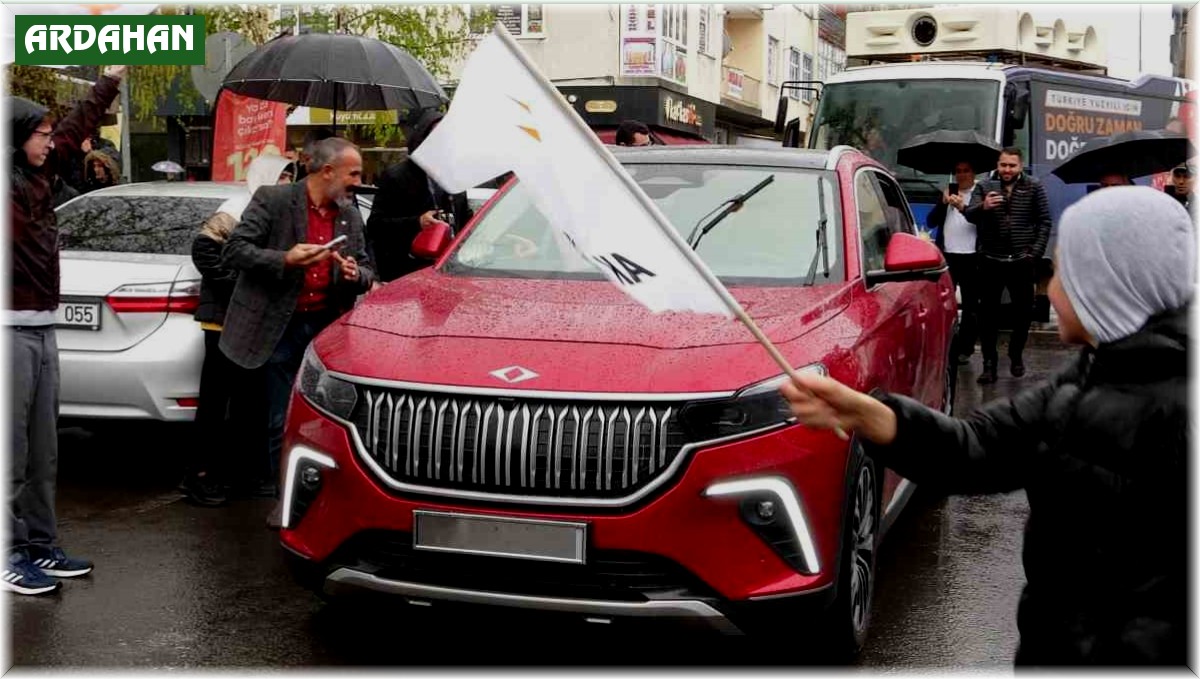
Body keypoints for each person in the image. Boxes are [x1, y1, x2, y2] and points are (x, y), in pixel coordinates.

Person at [779, 186, 1190, 667]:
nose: (1050, 290)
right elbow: (973, 449)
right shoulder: (1085, 377)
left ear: (1108, 282)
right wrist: (868, 415)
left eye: (1061, 273)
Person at [5, 65, 126, 595]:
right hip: (8, 331)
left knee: (42, 450)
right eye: (40, 133)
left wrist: (109, 82)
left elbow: (76, 130)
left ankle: (37, 545)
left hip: (43, 326)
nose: (51, 142)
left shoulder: (38, 173)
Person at [219, 137, 375, 496]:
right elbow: (235, 250)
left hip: (324, 329)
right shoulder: (274, 201)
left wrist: (356, 275)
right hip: (277, 327)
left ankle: (316, 490)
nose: (358, 181)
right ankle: (283, 496)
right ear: (327, 171)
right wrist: (285, 259)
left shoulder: (349, 214)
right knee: (281, 416)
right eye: (353, 173)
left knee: (323, 418)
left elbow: (367, 267)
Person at [182, 154, 295, 507]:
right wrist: (238, 286)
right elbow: (204, 249)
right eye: (281, 176)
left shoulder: (277, 213)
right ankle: (199, 476)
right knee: (216, 401)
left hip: (255, 322)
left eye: (291, 176)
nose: (287, 183)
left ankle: (243, 475)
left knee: (251, 403)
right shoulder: (237, 207)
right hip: (223, 321)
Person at [964, 147, 1052, 384]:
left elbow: (1045, 221)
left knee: (1023, 313)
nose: (1007, 170)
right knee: (988, 315)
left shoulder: (1034, 186)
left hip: (1022, 261)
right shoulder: (984, 186)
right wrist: (983, 207)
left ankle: (1015, 355)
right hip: (991, 260)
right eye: (1003, 165)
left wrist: (1034, 253)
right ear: (998, 165)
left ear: (1020, 166)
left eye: (1011, 166)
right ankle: (989, 364)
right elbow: (969, 214)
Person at [365, 109, 473, 283]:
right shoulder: (397, 177)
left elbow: (464, 220)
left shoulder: (454, 178)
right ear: (422, 139)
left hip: (448, 271)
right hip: (407, 273)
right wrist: (417, 222)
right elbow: (376, 226)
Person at [926, 160, 980, 364]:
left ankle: (965, 349)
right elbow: (931, 222)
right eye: (958, 171)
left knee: (971, 306)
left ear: (973, 173)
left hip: (972, 255)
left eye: (966, 171)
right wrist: (943, 202)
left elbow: (982, 218)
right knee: (943, 303)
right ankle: (943, 344)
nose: (961, 175)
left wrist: (962, 206)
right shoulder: (949, 192)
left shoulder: (979, 192)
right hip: (948, 255)